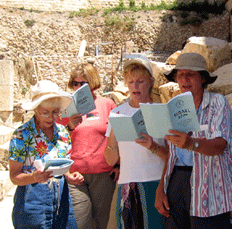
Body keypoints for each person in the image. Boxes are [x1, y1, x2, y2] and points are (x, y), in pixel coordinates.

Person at [155, 52, 232, 229]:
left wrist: (192, 143)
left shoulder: (218, 103)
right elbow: (171, 153)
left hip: (209, 185)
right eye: (180, 74)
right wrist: (161, 188)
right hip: (177, 180)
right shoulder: (174, 105)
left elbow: (220, 146)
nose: (184, 79)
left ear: (202, 78)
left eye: (190, 74)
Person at [104, 55, 168, 229]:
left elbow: (171, 157)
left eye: (140, 81)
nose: (135, 86)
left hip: (155, 183)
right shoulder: (118, 112)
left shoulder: (160, 111)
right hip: (126, 184)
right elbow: (110, 160)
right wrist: (114, 135)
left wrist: (153, 147)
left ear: (150, 82)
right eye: (131, 81)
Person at [9, 80, 78, 228]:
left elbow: (63, 166)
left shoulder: (63, 133)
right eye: (45, 112)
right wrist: (33, 177)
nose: (51, 118)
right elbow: (14, 177)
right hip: (32, 201)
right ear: (35, 110)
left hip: (62, 198)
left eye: (55, 112)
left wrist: (71, 176)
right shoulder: (22, 135)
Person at [59, 63, 117, 229]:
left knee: (102, 221)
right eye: (75, 83)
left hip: (103, 173)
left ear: (92, 83)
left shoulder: (107, 104)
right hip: (76, 174)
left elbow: (117, 135)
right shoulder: (66, 107)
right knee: (81, 222)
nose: (78, 87)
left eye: (82, 83)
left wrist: (118, 164)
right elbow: (57, 139)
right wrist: (69, 126)